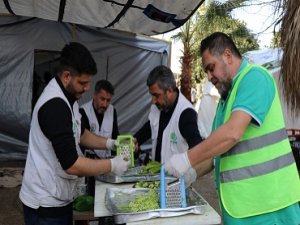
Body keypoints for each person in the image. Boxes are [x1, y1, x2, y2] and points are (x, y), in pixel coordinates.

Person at [165, 32, 300, 225]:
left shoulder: (255, 77)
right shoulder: (226, 99)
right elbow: (216, 152)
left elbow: (232, 134)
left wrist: (187, 158)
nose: (209, 77)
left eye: (211, 68)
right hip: (241, 208)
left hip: (270, 205)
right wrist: (191, 173)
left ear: (228, 56)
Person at [19, 42, 130, 225]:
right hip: (45, 204)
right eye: (83, 83)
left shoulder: (70, 99)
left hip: (58, 196)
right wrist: (112, 165)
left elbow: (81, 134)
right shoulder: (55, 106)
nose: (87, 88)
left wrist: (110, 143)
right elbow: (71, 164)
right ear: (66, 76)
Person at [134, 65, 203, 185]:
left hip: (176, 185)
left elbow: (198, 148)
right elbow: (150, 127)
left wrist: (189, 173)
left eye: (156, 95)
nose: (153, 100)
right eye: (151, 95)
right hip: (156, 179)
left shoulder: (185, 113)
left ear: (170, 91)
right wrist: (136, 140)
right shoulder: (158, 107)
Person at [80, 79, 119, 159]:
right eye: (102, 99)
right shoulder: (83, 111)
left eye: (108, 100)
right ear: (94, 95)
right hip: (89, 161)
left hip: (107, 159)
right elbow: (83, 142)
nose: (105, 104)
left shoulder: (112, 110)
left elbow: (115, 136)